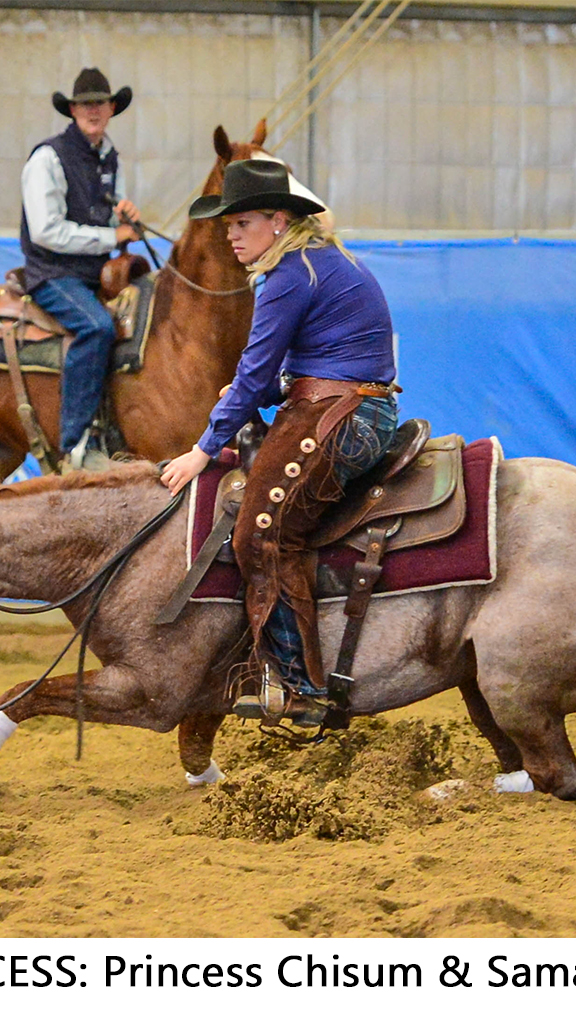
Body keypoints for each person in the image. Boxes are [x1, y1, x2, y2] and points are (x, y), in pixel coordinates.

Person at [160, 159, 399, 725]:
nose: (231, 235)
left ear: (278, 220)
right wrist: (253, 393)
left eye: (242, 222)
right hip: (350, 406)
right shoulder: (318, 262)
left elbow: (255, 371)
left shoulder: (290, 274)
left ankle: (299, 685)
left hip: (341, 415)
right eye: (228, 225)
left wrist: (202, 449)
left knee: (260, 534)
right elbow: (279, 372)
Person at [20, 68, 142, 473]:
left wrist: (123, 217)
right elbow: (45, 231)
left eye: (100, 103)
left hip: (96, 275)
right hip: (53, 273)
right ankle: (74, 445)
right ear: (72, 110)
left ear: (112, 108)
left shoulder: (110, 158)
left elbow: (108, 217)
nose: (93, 110)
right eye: (85, 104)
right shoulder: (48, 158)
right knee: (96, 327)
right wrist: (111, 236)